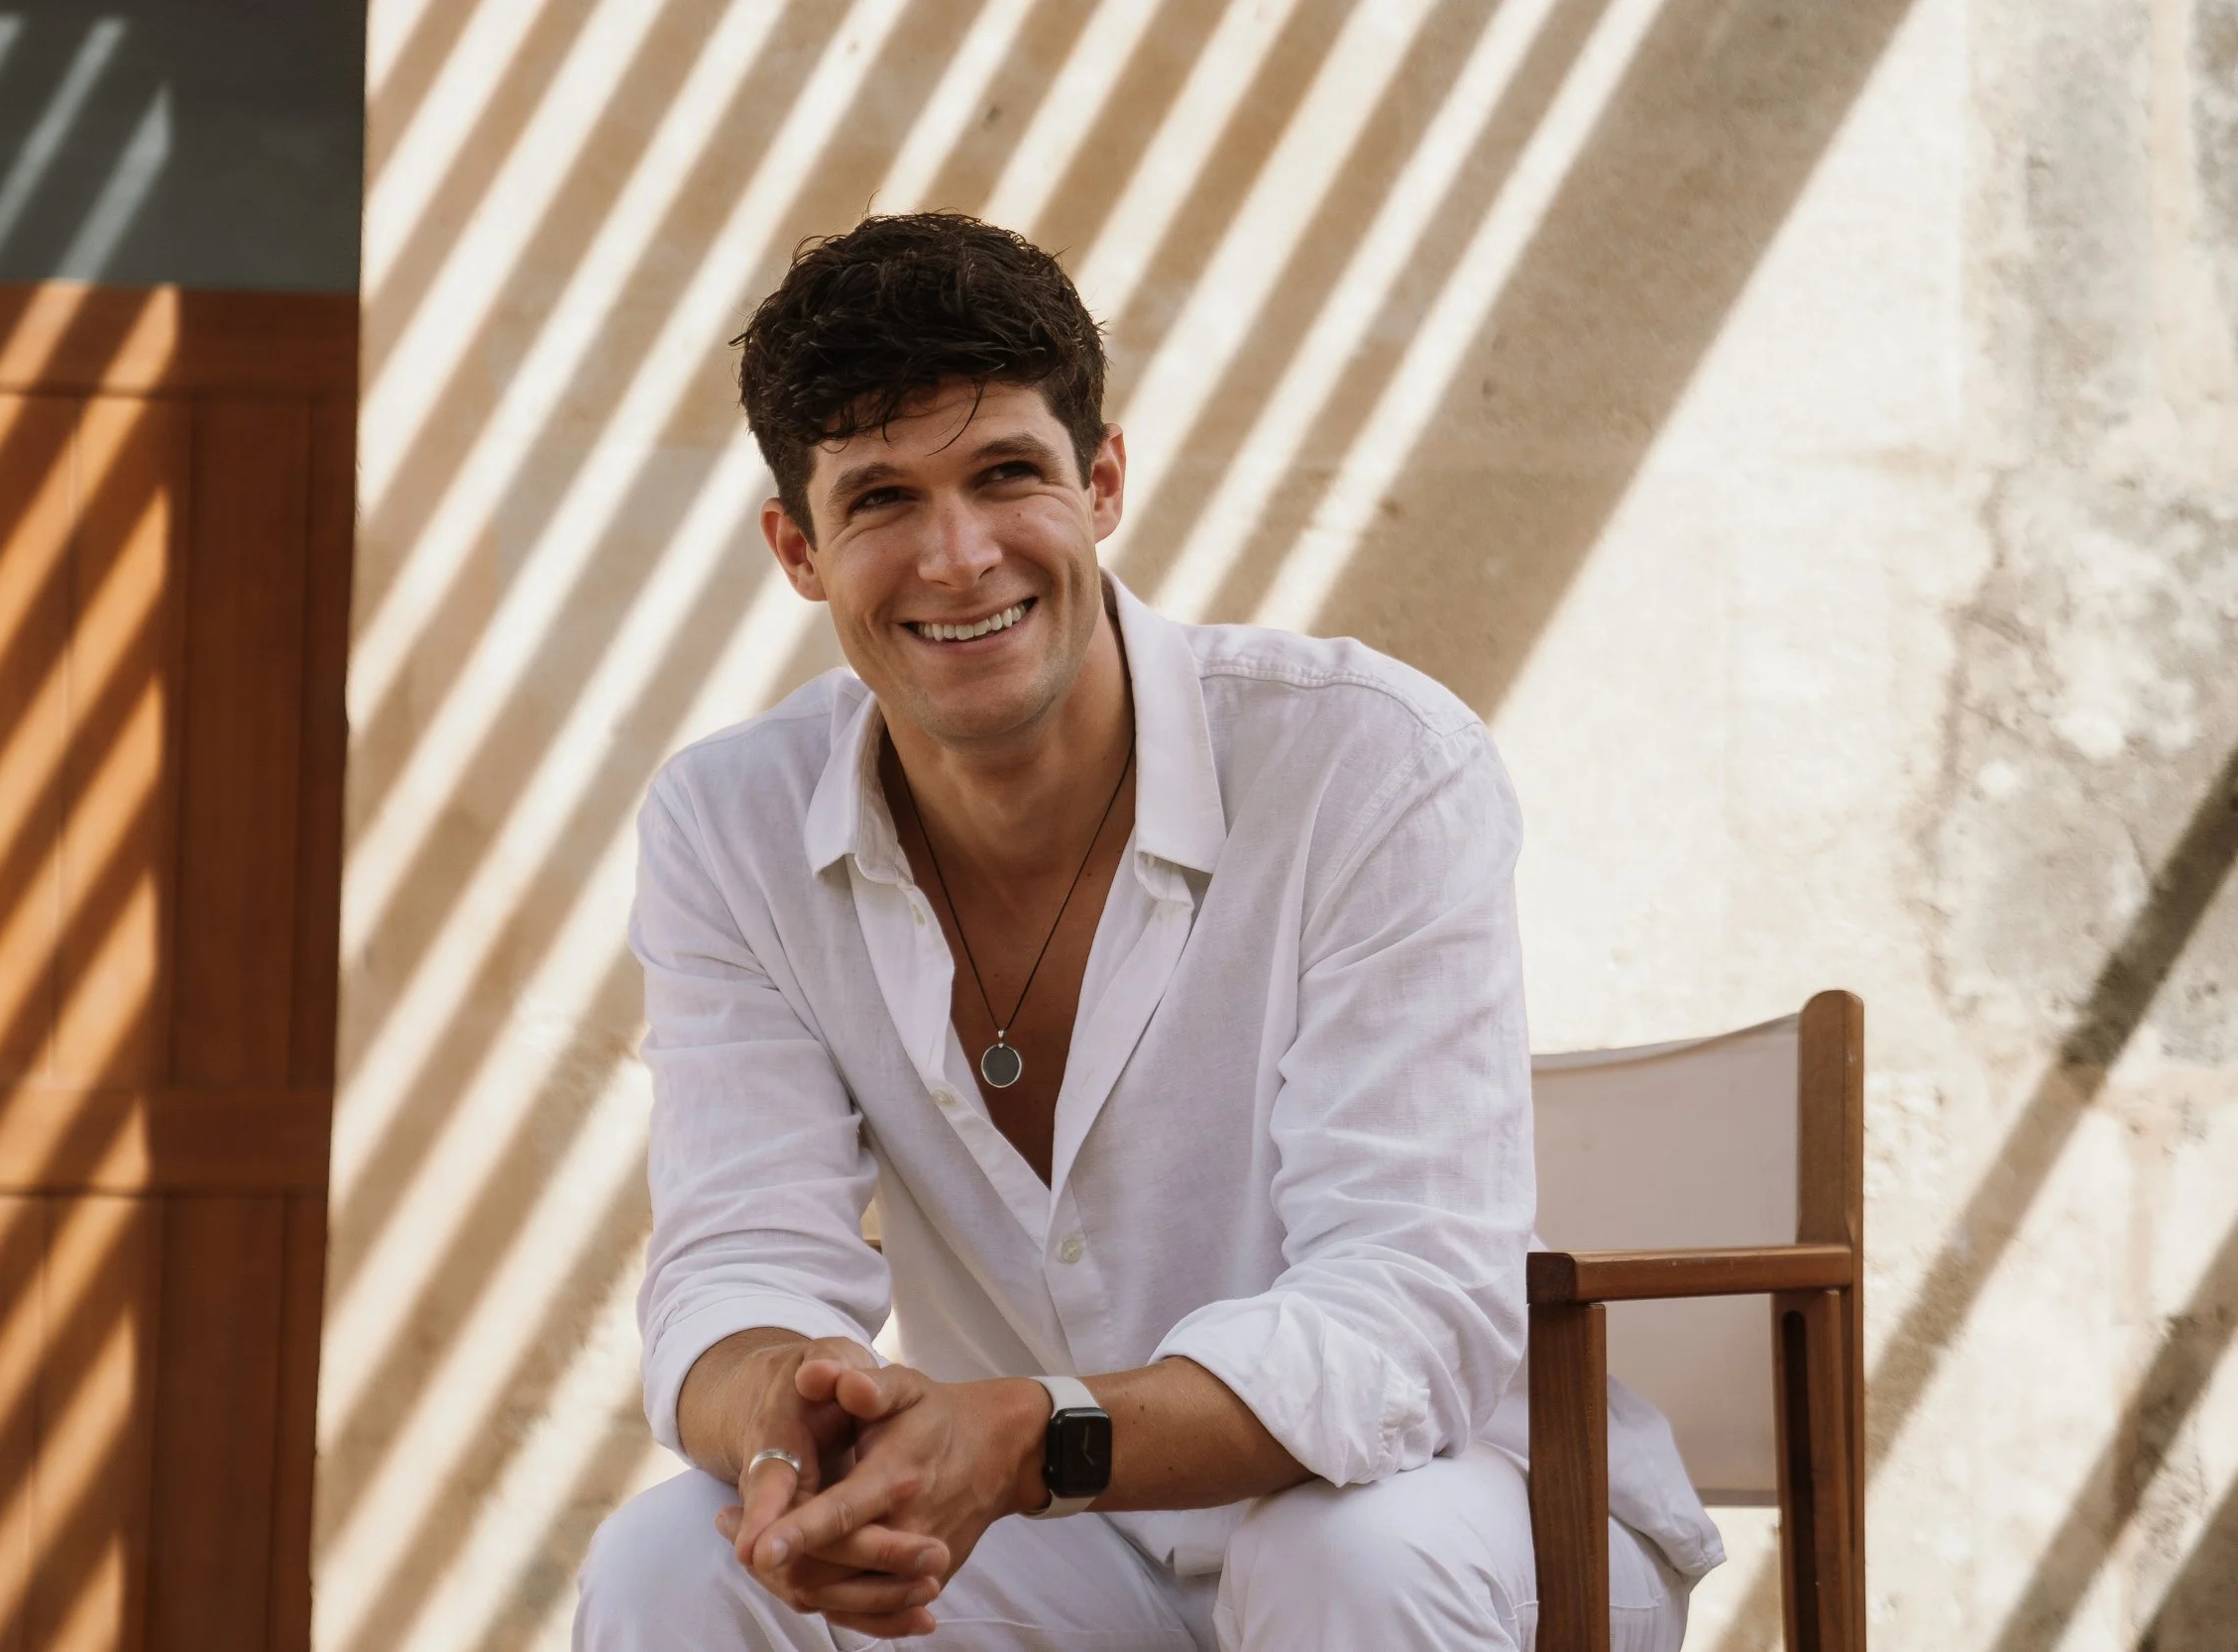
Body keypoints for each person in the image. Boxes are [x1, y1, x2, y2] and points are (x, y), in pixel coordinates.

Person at [575, 212, 1721, 1651]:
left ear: (1102, 480)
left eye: (1006, 473)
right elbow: (736, 1252)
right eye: (879, 502)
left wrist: (1034, 1434)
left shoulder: (1371, 761)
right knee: (679, 1558)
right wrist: (790, 1434)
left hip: (1466, 1504)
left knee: (1345, 1557)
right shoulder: (727, 825)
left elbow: (1407, 1313)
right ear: (797, 550)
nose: (958, 554)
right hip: (1064, 1545)